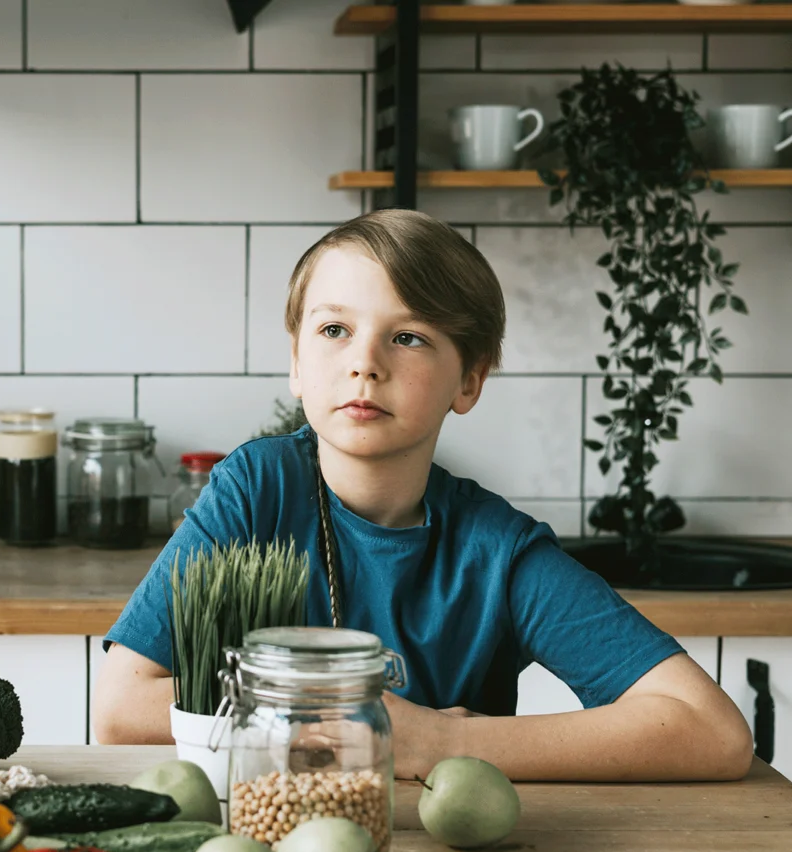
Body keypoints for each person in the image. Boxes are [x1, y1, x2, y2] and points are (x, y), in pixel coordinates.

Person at [92, 209, 752, 782]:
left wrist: (446, 742)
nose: (364, 362)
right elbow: (121, 710)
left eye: (408, 337)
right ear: (296, 361)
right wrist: (347, 717)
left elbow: (714, 733)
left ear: (469, 381)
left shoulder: (499, 551)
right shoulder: (255, 490)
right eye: (333, 331)